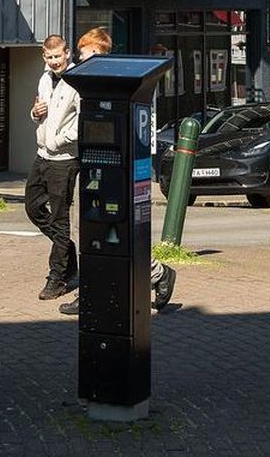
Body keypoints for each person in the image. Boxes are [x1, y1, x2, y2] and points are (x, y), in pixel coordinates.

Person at [59, 28, 177, 316]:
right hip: (89, 165)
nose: (80, 60)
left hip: (115, 171)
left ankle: (157, 273)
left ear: (100, 54)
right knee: (89, 231)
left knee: (118, 232)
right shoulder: (78, 81)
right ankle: (90, 291)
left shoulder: (118, 83)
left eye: (85, 54)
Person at [24, 33, 79, 300]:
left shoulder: (78, 80)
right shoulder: (45, 78)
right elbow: (38, 110)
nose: (54, 61)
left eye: (58, 56)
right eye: (49, 57)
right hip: (42, 154)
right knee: (32, 207)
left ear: (67, 53)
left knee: (59, 217)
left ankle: (58, 277)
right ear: (43, 56)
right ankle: (66, 249)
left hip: (64, 159)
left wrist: (58, 140)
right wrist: (35, 114)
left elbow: (82, 122)